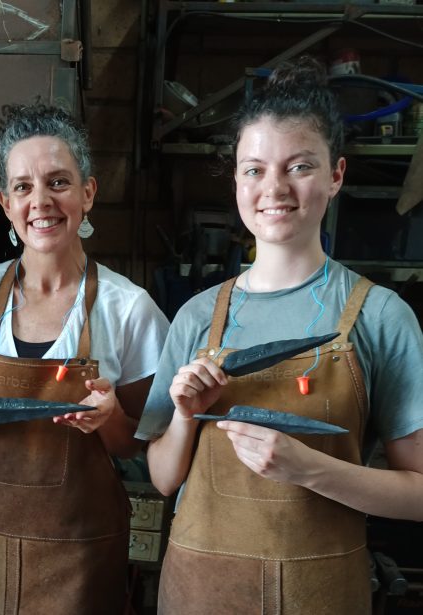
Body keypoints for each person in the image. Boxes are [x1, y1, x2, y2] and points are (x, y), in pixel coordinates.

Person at [137, 57, 423, 614]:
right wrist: (185, 412)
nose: (275, 188)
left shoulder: (379, 316)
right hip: (199, 590)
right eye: (254, 169)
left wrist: (309, 468)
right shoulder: (199, 315)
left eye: (300, 166)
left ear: (336, 174)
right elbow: (164, 480)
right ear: (238, 179)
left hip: (321, 593)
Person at [0, 101, 169, 614]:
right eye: (23, 187)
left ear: (88, 193)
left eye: (58, 182)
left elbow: (136, 445)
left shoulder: (129, 308)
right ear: (5, 203)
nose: (41, 202)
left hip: (79, 555)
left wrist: (111, 417)